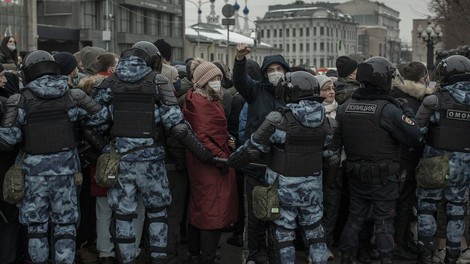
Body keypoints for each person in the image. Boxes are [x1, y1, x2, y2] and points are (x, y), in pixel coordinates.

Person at [92, 41, 216, 264]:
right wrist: (203, 154)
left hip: (121, 162)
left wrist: (105, 147)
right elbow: (176, 126)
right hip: (152, 161)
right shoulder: (158, 81)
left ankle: (126, 259)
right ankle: (159, 258)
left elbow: (93, 121)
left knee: (123, 215)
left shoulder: (110, 82)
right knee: (158, 213)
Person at [0, 50, 110, 264]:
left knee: (36, 228)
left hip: (33, 175)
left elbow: (7, 140)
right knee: (65, 227)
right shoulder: (72, 95)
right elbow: (102, 118)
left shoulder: (19, 99)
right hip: (66, 173)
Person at [227, 71, 340, 264]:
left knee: (284, 233)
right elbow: (331, 158)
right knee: (315, 232)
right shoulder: (327, 121)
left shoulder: (279, 120)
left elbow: (253, 148)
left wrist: (231, 161)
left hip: (283, 189)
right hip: (313, 187)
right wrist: (325, 185)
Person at [335, 56, 421, 264]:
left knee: (355, 219)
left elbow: (335, 143)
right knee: (384, 222)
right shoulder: (389, 109)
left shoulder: (345, 107)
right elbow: (414, 135)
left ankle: (346, 257)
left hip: (356, 174)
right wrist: (406, 110)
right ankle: (386, 259)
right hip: (384, 178)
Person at [415, 54, 470, 264]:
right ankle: (453, 256)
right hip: (464, 166)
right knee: (457, 210)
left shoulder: (433, 100)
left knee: (427, 206)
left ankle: (426, 255)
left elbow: (417, 132)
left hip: (434, 162)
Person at [182, 59, 238, 264]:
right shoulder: (199, 103)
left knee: (200, 208)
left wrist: (228, 140)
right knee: (212, 211)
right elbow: (203, 137)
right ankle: (206, 256)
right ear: (203, 81)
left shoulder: (205, 99)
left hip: (208, 161)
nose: (217, 82)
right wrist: (224, 157)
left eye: (219, 78)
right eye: (213, 78)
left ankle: (195, 254)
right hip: (211, 162)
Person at [389, 61, 435, 261]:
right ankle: (398, 244)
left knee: (398, 203)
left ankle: (401, 239)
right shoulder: (424, 100)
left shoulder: (393, 96)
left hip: (394, 156)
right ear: (424, 78)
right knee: (404, 204)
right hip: (409, 159)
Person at [0, 62, 23, 264]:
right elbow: (11, 141)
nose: (4, 79)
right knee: (9, 218)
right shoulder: (7, 103)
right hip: (5, 171)